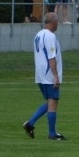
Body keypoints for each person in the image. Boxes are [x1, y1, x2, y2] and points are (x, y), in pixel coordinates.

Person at [23, 12, 66, 140]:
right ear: (53, 23)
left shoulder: (39, 34)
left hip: (40, 75)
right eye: (57, 22)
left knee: (50, 102)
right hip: (49, 75)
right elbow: (51, 57)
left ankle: (30, 124)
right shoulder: (50, 36)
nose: (58, 24)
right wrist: (56, 76)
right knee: (53, 102)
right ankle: (51, 133)